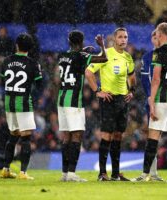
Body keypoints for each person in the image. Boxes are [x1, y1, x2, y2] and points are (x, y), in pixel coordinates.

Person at [132, 22, 167, 182]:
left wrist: (152, 102)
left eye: (157, 33)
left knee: (153, 136)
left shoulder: (159, 52)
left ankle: (145, 174)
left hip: (163, 99)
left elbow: (155, 79)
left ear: (161, 34)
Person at [85, 27, 136, 181]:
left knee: (119, 135)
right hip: (108, 99)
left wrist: (131, 90)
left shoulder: (128, 57)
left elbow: (132, 76)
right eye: (120, 37)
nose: (123, 40)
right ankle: (102, 173)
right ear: (114, 39)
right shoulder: (105, 54)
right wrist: (97, 91)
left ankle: (115, 174)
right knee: (106, 135)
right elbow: (88, 72)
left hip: (122, 101)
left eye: (125, 37)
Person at [58, 30, 107, 182]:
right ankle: (72, 173)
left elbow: (75, 59)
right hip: (73, 101)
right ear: (82, 41)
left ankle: (65, 173)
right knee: (77, 135)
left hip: (61, 99)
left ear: (69, 41)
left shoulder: (63, 56)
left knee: (66, 137)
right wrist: (102, 45)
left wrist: (83, 52)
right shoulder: (81, 56)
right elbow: (103, 58)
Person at [0, 33, 43, 180]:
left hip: (9, 102)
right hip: (23, 102)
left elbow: (2, 80)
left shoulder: (6, 61)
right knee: (25, 138)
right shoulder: (32, 63)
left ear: (16, 45)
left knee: (13, 136)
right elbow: (39, 84)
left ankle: (5, 169)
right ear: (30, 47)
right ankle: (23, 172)